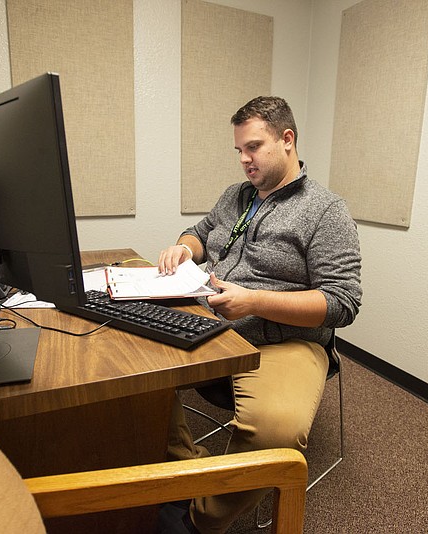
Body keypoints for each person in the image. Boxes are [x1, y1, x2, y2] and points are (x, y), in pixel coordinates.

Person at [156, 96, 362, 533]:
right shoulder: (236, 195)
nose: (244, 160)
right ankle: (192, 473)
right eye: (239, 151)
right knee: (136, 374)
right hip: (212, 321)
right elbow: (200, 232)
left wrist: (255, 301)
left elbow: (342, 303)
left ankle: (199, 519)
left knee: (276, 430)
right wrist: (184, 248)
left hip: (285, 341)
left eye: (253, 147)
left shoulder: (327, 211)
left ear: (287, 140)